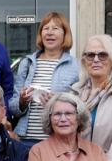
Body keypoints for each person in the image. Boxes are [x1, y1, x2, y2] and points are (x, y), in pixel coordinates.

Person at [9, 12, 80, 145]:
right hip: (26, 140)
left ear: (65, 34)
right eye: (45, 29)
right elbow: (13, 107)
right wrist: (22, 102)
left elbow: (81, 107)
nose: (49, 33)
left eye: (55, 29)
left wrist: (56, 103)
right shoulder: (27, 63)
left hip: (57, 139)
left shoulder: (76, 66)